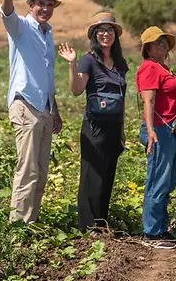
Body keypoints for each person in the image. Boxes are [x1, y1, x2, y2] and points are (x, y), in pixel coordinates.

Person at [0, 0, 64, 224]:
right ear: (32, 5)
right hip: (26, 104)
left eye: (49, 5)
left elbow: (47, 74)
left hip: (44, 107)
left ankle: (31, 222)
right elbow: (7, 14)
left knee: (41, 171)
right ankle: (18, 226)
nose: (45, 9)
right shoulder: (22, 27)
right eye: (40, 4)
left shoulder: (48, 34)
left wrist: (54, 109)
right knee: (27, 169)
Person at [58, 12, 129, 233]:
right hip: (94, 127)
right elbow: (76, 89)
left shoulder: (120, 63)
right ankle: (87, 228)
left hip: (114, 127)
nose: (106, 34)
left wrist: (122, 129)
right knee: (92, 177)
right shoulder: (88, 60)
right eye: (101, 30)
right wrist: (72, 64)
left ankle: (101, 224)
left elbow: (122, 97)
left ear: (115, 35)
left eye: (110, 30)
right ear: (95, 35)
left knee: (107, 176)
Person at [136, 26, 176, 249]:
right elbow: (149, 101)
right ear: (147, 48)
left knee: (168, 180)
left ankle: (161, 228)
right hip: (160, 131)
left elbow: (165, 98)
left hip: (172, 130)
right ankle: (152, 233)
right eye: (156, 42)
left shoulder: (162, 67)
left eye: (164, 41)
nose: (161, 45)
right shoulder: (149, 68)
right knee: (158, 180)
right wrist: (151, 131)